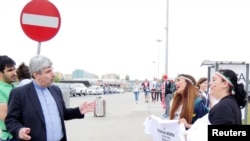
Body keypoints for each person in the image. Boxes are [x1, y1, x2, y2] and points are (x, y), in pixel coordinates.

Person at [5, 55, 96, 141]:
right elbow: (11, 120)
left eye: (52, 70)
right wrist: (18, 130)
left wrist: (78, 110)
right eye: (48, 71)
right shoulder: (19, 93)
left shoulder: (55, 90)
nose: (53, 74)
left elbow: (62, 113)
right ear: (36, 75)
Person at [0, 55, 17, 141]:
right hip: (10, 137)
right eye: (10, 70)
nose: (14, 73)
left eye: (14, 69)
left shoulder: (13, 86)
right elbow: (6, 117)